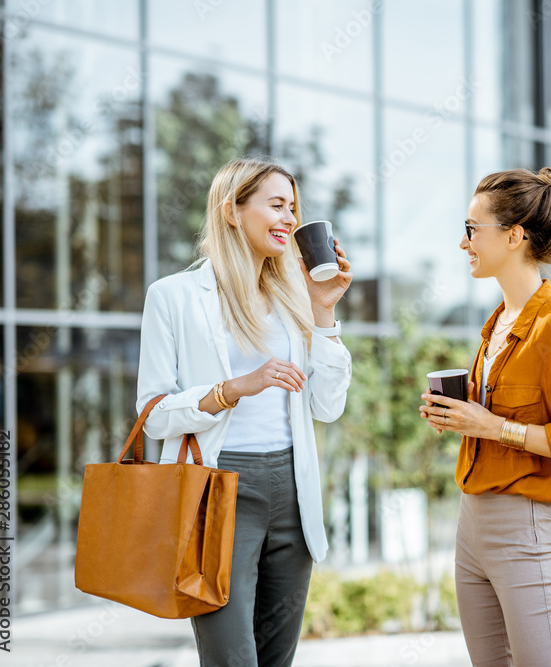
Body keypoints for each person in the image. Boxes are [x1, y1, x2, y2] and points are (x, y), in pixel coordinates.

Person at [136, 157, 352, 666]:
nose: (289, 220)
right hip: (217, 492)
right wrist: (232, 389)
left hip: (292, 492)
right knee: (231, 659)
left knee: (277, 660)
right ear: (232, 210)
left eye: (293, 208)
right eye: (276, 205)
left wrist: (325, 313)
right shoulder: (174, 296)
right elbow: (153, 414)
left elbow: (327, 405)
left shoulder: (295, 296)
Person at [420, 167, 551, 666]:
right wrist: (462, 417)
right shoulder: (496, 325)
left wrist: (494, 427)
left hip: (528, 527)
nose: (464, 242)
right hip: (472, 525)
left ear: (513, 235)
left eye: (471, 228)